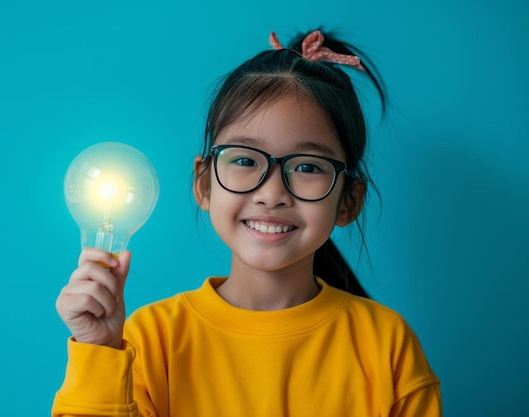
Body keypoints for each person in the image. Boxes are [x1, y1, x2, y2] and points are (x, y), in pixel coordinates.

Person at [52, 26, 442, 417]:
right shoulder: (150, 339)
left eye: (307, 166)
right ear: (203, 182)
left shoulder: (387, 346)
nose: (272, 194)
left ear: (348, 201)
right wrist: (98, 351)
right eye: (243, 160)